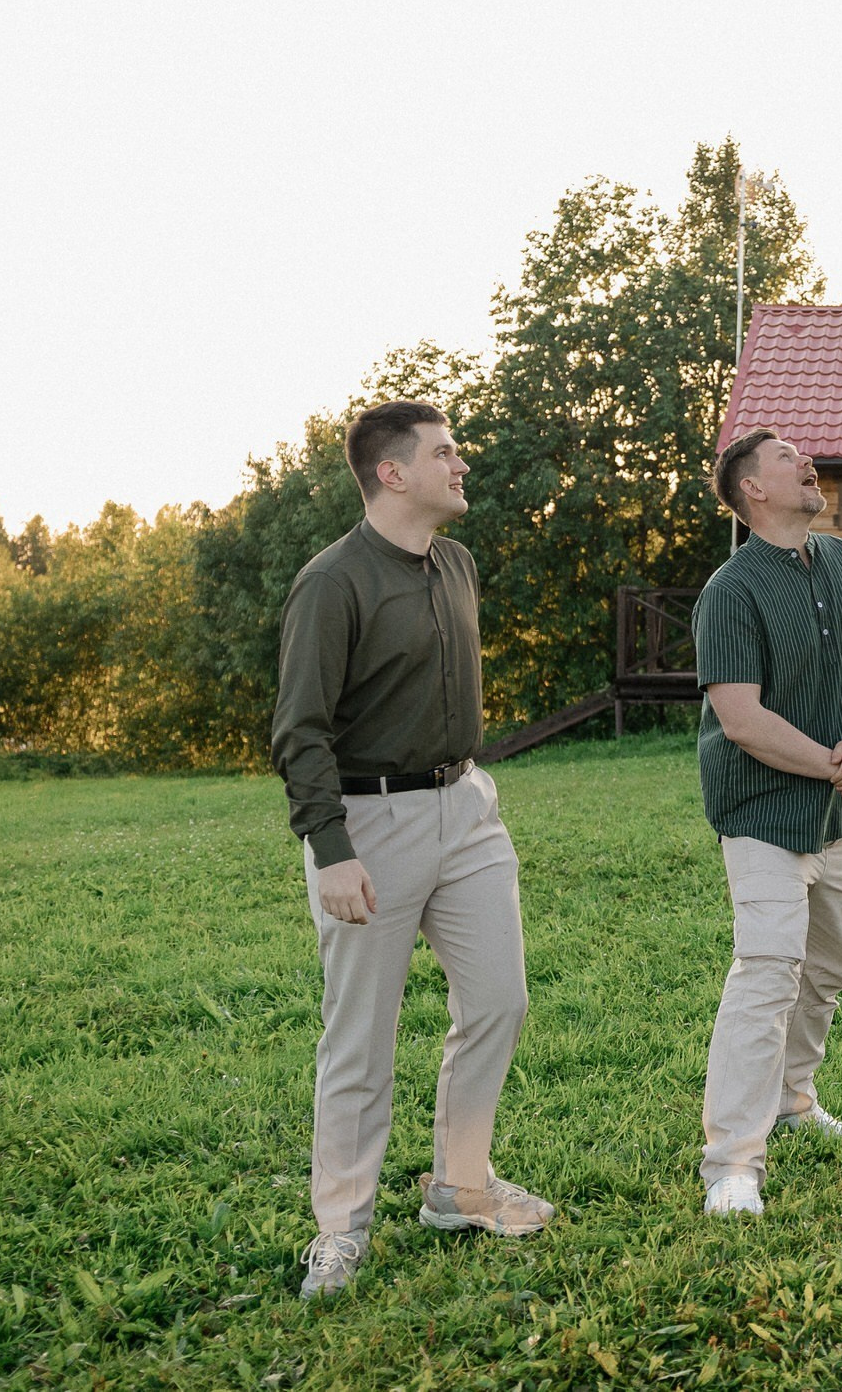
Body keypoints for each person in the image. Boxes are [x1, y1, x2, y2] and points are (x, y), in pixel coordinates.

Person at [270, 400, 554, 1299]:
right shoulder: (333, 582)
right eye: (445, 453)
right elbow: (299, 730)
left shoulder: (457, 563)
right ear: (392, 472)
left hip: (467, 807)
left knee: (499, 1000)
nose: (461, 464)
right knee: (361, 1035)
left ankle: (459, 1184)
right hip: (370, 822)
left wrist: (466, 795)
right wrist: (331, 847)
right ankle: (341, 1229)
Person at [692, 428, 842, 1216]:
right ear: (752, 489)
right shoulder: (731, 591)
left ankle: (795, 1098)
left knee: (835, 959)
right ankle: (733, 1162)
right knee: (769, 965)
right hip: (759, 809)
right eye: (787, 458)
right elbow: (741, 718)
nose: (807, 463)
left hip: (830, 813)